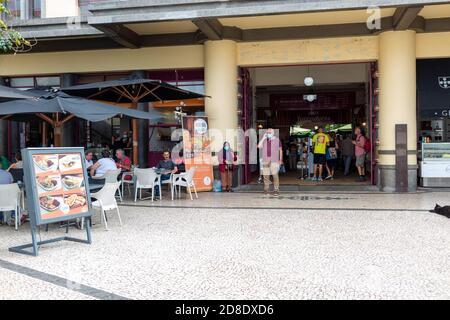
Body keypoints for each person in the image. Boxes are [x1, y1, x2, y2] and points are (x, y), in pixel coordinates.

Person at [257, 128, 283, 196]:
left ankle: (276, 190)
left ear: (273, 133)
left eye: (269, 132)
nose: (268, 134)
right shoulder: (265, 140)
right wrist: (263, 138)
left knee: (275, 175)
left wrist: (280, 159)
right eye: (267, 132)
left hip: (274, 160)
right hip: (266, 160)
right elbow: (259, 146)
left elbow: (280, 150)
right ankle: (266, 189)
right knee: (266, 176)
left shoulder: (277, 140)